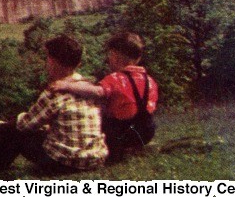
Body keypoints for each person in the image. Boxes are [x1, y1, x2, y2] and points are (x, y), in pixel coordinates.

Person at [0, 34, 108, 174]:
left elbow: (25, 125)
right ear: (78, 63)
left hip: (64, 163)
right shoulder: (88, 88)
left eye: (47, 58)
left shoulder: (54, 91)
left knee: (11, 130)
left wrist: (15, 120)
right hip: (93, 159)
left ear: (52, 61)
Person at [52, 31, 158, 161]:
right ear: (138, 58)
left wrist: (67, 86)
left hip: (122, 131)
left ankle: (114, 152)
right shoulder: (149, 80)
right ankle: (134, 148)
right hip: (146, 130)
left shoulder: (115, 79)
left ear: (115, 56)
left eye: (110, 55)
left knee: (100, 115)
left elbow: (97, 92)